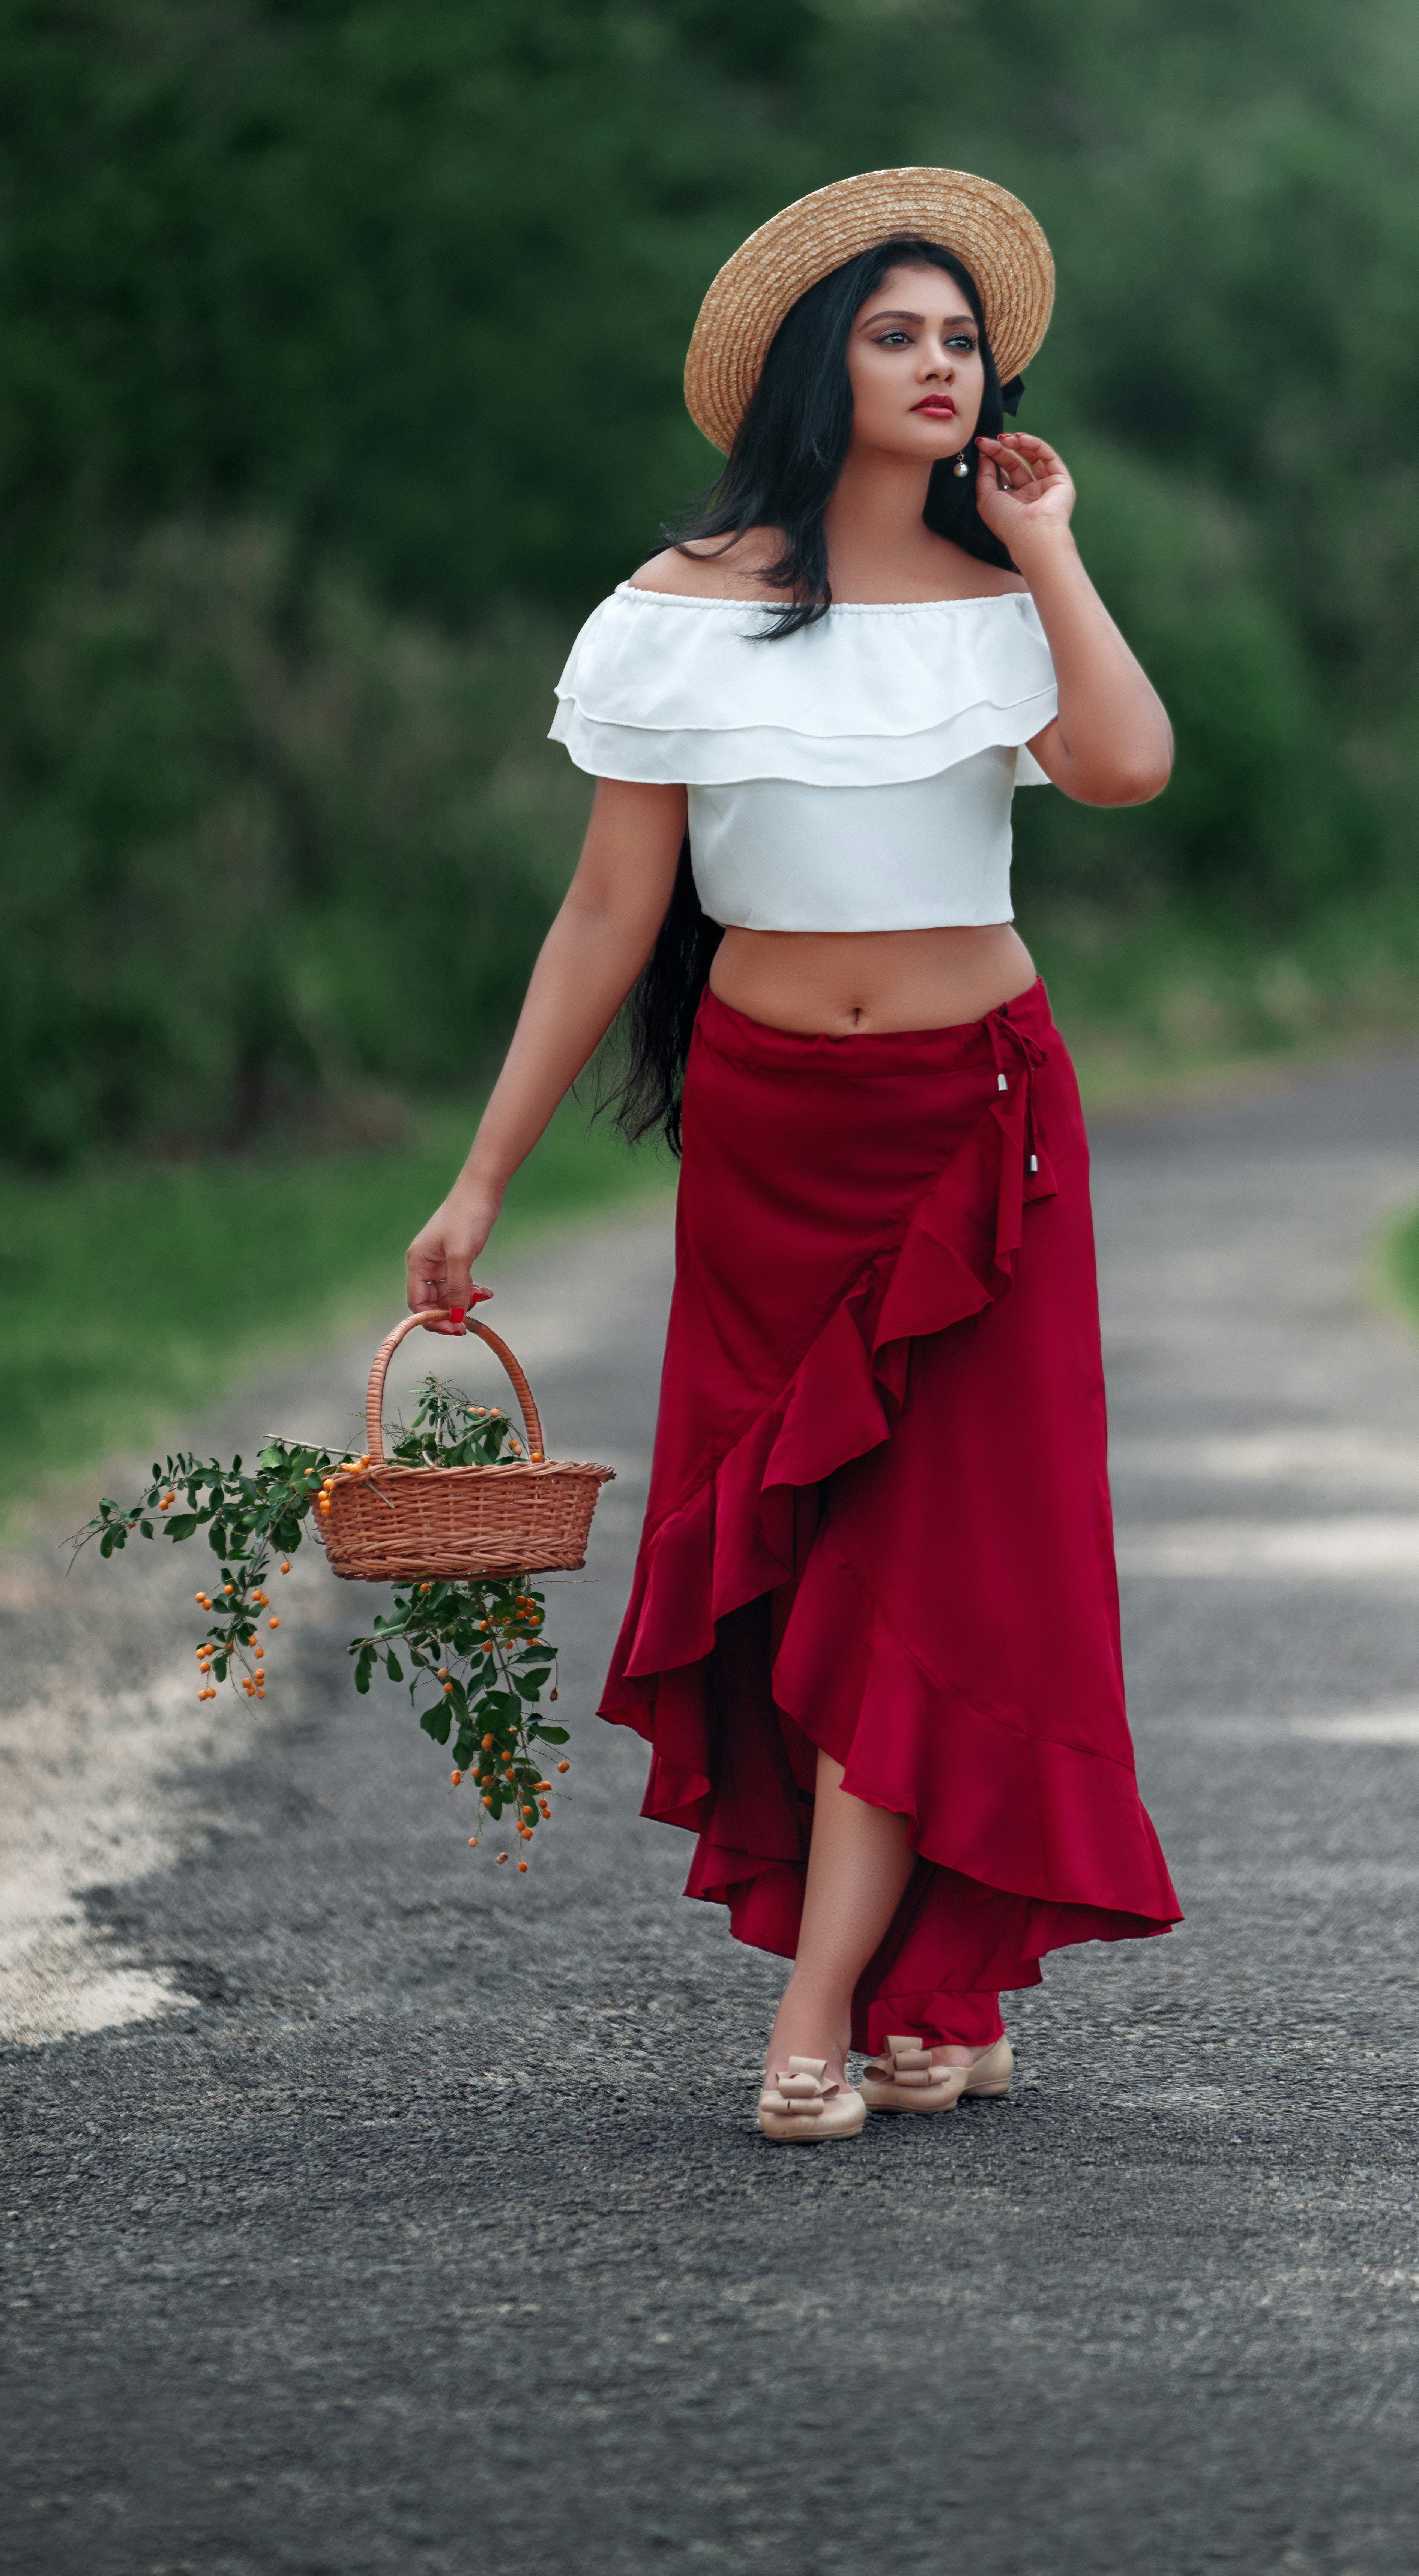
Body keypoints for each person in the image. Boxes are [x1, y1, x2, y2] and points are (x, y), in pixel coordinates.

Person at [407, 167, 1183, 2141]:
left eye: (961, 340)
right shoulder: (673, 616)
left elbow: (1123, 766)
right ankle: (936, 1984)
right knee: (823, 1573)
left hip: (977, 1132)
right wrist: (480, 1179)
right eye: (896, 335)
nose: (943, 366)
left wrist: (1051, 542)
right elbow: (604, 918)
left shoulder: (1004, 604)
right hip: (771, 1149)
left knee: (942, 1572)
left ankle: (826, 2008)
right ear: (811, 369)